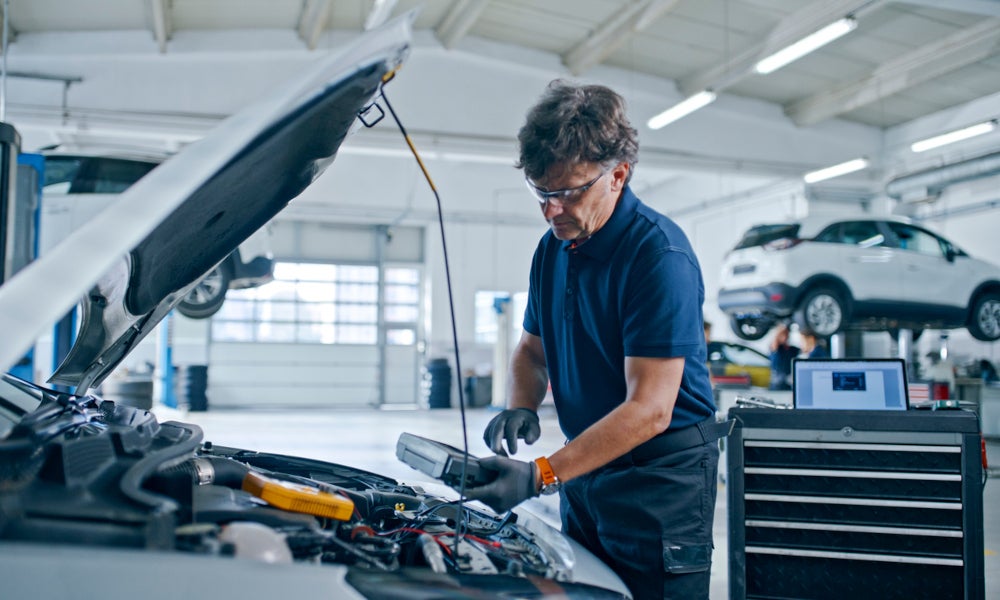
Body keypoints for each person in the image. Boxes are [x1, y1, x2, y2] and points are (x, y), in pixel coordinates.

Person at [463, 80, 728, 600]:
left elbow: (649, 410)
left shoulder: (658, 257)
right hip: (585, 465)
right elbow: (531, 352)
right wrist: (521, 405)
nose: (551, 211)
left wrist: (539, 475)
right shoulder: (553, 248)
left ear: (618, 176)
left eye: (568, 193)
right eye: (541, 193)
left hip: (659, 482)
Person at [768, 323, 799, 390]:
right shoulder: (776, 348)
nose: (785, 336)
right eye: (783, 334)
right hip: (777, 384)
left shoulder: (793, 349)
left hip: (789, 383)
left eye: (787, 334)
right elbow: (774, 344)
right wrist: (781, 329)